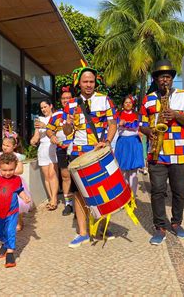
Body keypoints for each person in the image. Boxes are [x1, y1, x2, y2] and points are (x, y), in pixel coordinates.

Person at [139, 58, 184, 245]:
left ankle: (177, 223)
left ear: (172, 79)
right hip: (157, 152)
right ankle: (160, 227)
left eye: (167, 77)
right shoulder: (148, 99)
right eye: (160, 77)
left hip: (179, 152)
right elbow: (141, 124)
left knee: (179, 191)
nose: (164, 80)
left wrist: (177, 115)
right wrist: (150, 131)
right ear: (156, 80)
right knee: (157, 191)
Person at [62, 62, 117, 248]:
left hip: (98, 152)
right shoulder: (70, 104)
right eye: (85, 81)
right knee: (79, 194)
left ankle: (102, 228)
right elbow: (68, 132)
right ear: (79, 83)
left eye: (91, 81)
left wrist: (107, 142)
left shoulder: (105, 100)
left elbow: (112, 124)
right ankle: (83, 233)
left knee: (102, 191)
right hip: (77, 153)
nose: (88, 84)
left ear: (95, 83)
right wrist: (67, 123)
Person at [0, 136, 31, 237]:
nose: (5, 147)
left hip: (13, 182)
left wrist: (9, 172)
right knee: (0, 204)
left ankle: (19, 222)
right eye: (3, 145)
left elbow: (20, 170)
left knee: (17, 204)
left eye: (8, 145)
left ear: (14, 146)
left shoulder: (16, 157)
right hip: (2, 184)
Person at [45, 86, 75, 216]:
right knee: (65, 175)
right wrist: (51, 136)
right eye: (63, 98)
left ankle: (83, 204)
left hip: (77, 148)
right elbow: (49, 129)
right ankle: (69, 204)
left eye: (68, 98)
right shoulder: (56, 115)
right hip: (61, 149)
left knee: (79, 176)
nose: (66, 100)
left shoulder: (79, 112)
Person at [30, 98, 59, 210]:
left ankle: (54, 199)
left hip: (53, 146)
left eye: (45, 107)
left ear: (50, 106)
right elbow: (37, 135)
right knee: (46, 175)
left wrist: (45, 126)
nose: (43, 109)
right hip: (42, 148)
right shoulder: (39, 119)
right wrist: (33, 140)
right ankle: (51, 197)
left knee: (52, 174)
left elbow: (59, 131)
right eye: (41, 108)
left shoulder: (56, 117)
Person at [115, 95, 144, 196]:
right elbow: (113, 126)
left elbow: (139, 127)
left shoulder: (137, 115)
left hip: (134, 143)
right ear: (123, 104)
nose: (128, 104)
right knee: (123, 171)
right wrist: (119, 124)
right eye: (126, 102)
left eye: (130, 102)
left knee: (133, 171)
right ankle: (125, 195)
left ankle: (133, 195)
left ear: (133, 104)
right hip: (122, 143)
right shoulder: (117, 115)